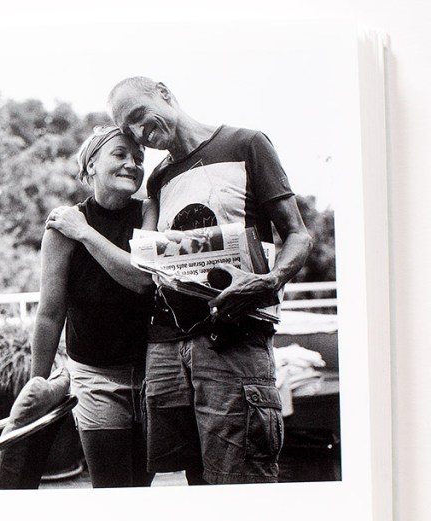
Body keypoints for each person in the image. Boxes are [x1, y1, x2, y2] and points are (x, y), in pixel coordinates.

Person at [107, 76, 313, 484]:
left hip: (233, 337)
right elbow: (149, 258)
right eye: (128, 130)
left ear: (164, 93)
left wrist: (270, 281)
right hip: (169, 344)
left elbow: (298, 235)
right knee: (196, 480)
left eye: (138, 116)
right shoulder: (158, 179)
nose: (139, 133)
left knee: (240, 478)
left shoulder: (246, 144)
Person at [0, 125, 156, 489]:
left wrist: (84, 232)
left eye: (139, 158)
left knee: (142, 489)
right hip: (95, 377)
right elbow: (50, 314)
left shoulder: (148, 212)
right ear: (91, 165)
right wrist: (36, 388)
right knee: (113, 489)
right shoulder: (61, 229)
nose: (132, 164)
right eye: (120, 154)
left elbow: (142, 278)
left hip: (152, 374)